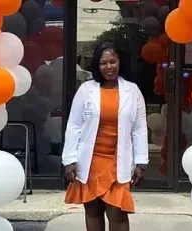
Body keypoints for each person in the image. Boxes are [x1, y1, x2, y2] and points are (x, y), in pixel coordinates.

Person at [62, 42, 149, 231]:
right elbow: (74, 125)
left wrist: (141, 163)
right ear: (97, 65)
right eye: (103, 63)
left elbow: (140, 129)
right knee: (92, 209)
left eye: (113, 61)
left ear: (119, 62)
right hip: (90, 161)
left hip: (118, 161)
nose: (109, 67)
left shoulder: (132, 91)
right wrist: (69, 160)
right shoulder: (86, 90)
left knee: (117, 211)